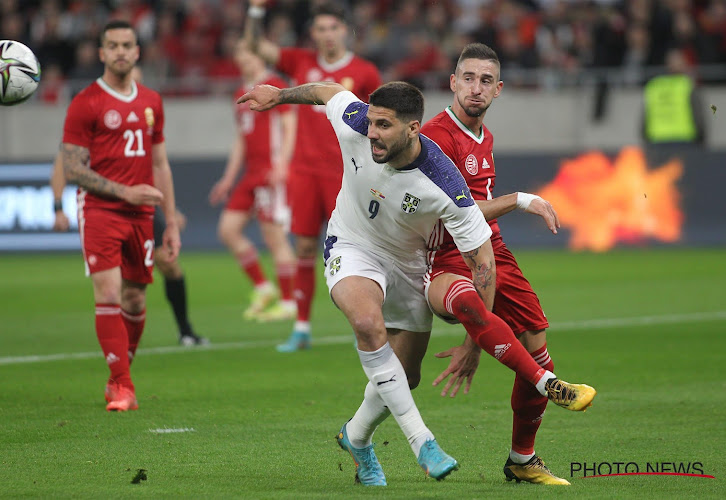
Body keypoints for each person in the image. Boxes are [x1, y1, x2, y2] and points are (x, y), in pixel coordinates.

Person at [238, 80, 593, 486]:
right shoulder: (356, 124)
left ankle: (356, 438)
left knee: (406, 376)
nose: (372, 133)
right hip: (351, 244)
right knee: (368, 325)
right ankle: (423, 441)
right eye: (372, 123)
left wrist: (472, 342)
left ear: (413, 129)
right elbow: (327, 90)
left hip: (409, 264)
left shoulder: (444, 182)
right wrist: (280, 95)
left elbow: (484, 263)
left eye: (384, 126)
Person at [421, 43, 591, 485]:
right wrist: (521, 200)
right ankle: (547, 385)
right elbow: (453, 213)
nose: (475, 89)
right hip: (449, 252)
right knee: (399, 370)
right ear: (453, 81)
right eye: (468, 78)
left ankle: (522, 459)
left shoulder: (484, 137)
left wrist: (475, 344)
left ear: (498, 90)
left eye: (485, 81)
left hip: (492, 249)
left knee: (536, 335)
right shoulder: (438, 137)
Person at [244, 1, 382, 352]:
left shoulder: (364, 72)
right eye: (320, 29)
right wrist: (257, 12)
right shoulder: (299, 62)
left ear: (345, 32)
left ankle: (369, 321)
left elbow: (381, 123)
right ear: (313, 34)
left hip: (348, 174)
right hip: (304, 173)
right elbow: (256, 46)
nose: (327, 35)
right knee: (304, 246)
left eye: (333, 28)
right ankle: (302, 327)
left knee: (363, 248)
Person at [61, 20, 180, 412]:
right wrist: (124, 191)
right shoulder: (85, 102)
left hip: (142, 215)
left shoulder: (151, 101)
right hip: (99, 209)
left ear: (137, 51)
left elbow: (160, 163)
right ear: (101, 53)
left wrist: (172, 221)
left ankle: (119, 371)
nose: (120, 52)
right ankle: (124, 386)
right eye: (112, 46)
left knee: (134, 298)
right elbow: (73, 168)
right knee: (109, 293)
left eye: (127, 45)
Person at [52, 69, 207, 348]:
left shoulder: (145, 110)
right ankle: (120, 351)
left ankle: (185, 330)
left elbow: (156, 164)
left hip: (143, 206)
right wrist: (57, 206)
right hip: (106, 207)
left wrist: (171, 211)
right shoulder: (94, 112)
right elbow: (64, 163)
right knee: (122, 289)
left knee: (169, 266)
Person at [208, 41, 297, 323]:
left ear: (259, 56)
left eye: (247, 54)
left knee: (274, 237)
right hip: (251, 174)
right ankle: (263, 286)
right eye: (239, 55)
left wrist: (282, 162)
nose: (243, 60)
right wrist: (228, 178)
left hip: (271, 172)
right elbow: (241, 140)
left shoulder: (273, 85)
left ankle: (288, 303)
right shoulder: (240, 93)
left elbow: (289, 125)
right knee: (228, 230)